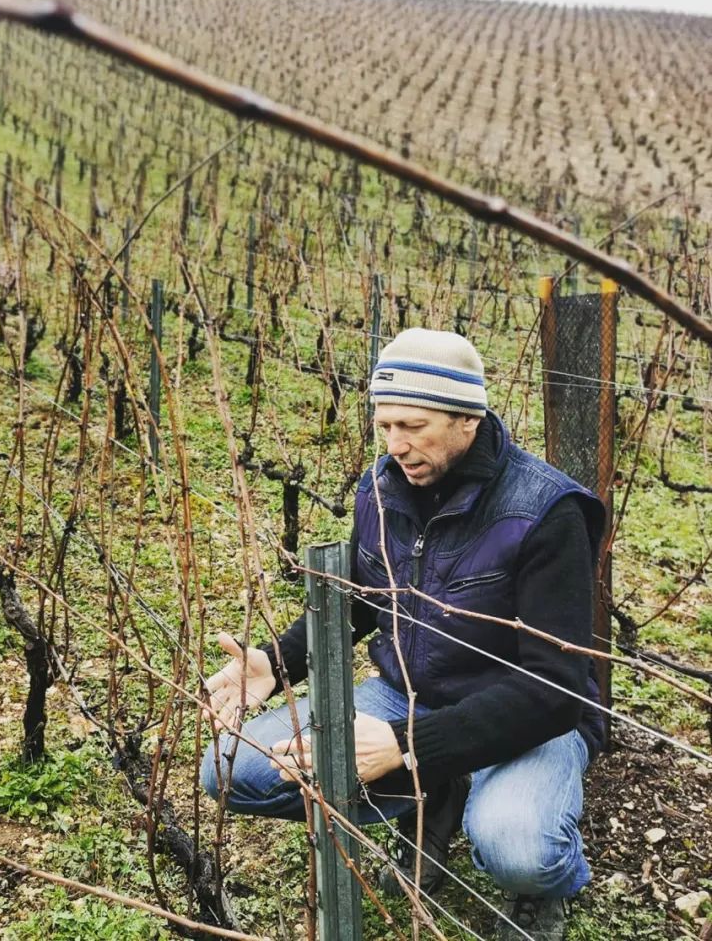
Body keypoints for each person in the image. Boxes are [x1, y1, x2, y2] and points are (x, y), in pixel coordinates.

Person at [201, 328, 605, 941]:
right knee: (232, 772)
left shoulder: (547, 511)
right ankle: (432, 798)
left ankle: (546, 886)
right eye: (385, 425)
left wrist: (410, 746)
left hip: (524, 715)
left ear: (468, 418)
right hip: (407, 693)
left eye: (412, 425)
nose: (395, 444)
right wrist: (277, 662)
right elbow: (363, 600)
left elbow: (556, 689)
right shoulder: (383, 486)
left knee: (520, 848)